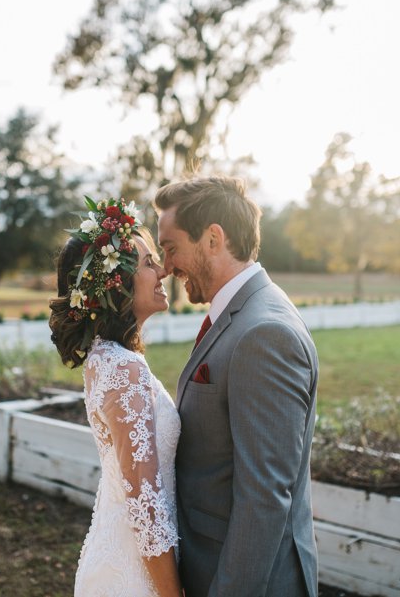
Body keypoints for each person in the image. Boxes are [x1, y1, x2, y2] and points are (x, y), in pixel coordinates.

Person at [154, 176, 320, 597]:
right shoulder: (240, 314)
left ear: (213, 239)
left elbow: (264, 498)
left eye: (171, 248)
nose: (166, 266)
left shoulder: (264, 333)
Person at [49, 196, 183, 597]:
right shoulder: (122, 368)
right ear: (115, 284)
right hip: (135, 578)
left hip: (122, 560)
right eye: (147, 263)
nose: (162, 271)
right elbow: (145, 507)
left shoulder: (109, 358)